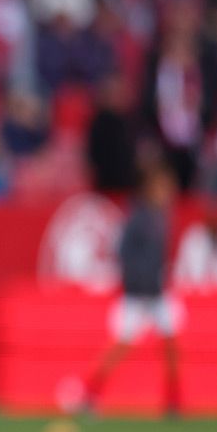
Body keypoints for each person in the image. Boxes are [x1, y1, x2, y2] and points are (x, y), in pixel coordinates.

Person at [81, 164, 180, 416]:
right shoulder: (139, 217)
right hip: (137, 294)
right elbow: (124, 252)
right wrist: (137, 281)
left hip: (156, 293)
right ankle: (90, 394)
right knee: (121, 345)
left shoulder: (160, 217)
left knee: (170, 344)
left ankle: (173, 401)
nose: (167, 192)